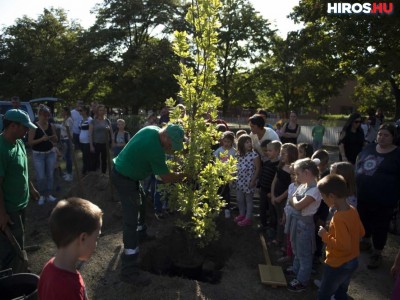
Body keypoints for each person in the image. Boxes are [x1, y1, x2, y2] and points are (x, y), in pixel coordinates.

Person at [111, 123, 186, 286]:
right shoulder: (155, 150)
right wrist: (185, 176)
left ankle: (141, 234)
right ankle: (128, 269)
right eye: (171, 144)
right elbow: (166, 178)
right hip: (124, 177)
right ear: (165, 136)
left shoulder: (152, 129)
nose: (172, 148)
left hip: (127, 172)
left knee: (142, 201)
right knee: (130, 220)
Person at [38, 197, 103, 300]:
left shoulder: (49, 267)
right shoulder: (67, 288)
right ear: (83, 238)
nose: (96, 243)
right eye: (96, 238)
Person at [356, 123, 400, 269]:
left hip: (384, 199)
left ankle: (377, 252)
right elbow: (359, 164)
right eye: (380, 134)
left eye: (386, 135)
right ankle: (366, 241)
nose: (382, 137)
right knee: (364, 221)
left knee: (380, 226)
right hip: (364, 195)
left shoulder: (397, 154)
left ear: (393, 137)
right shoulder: (369, 148)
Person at [0, 109, 39, 271]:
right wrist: (2, 213)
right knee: (11, 246)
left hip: (21, 203)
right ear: (13, 126)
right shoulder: (1, 149)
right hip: (9, 208)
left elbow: (24, 170)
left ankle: (20, 267)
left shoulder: (20, 143)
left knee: (19, 237)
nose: (27, 130)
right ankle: (15, 278)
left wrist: (31, 188)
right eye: (24, 127)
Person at [316, 174, 365, 300]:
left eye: (323, 196)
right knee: (342, 290)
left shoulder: (339, 218)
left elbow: (343, 246)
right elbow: (361, 232)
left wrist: (325, 235)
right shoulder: (352, 210)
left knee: (324, 293)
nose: (322, 199)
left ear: (331, 196)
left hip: (337, 263)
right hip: (352, 260)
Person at [287, 158, 322, 292]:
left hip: (304, 226)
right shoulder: (304, 185)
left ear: (307, 173)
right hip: (297, 222)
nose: (296, 177)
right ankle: (296, 270)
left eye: (297, 174)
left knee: (305, 253)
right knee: (296, 248)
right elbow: (293, 198)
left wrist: (293, 201)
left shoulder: (315, 190)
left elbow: (297, 204)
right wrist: (293, 200)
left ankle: (302, 280)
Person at [28, 104, 58, 205]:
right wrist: (42, 139)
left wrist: (53, 138)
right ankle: (41, 195)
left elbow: (56, 139)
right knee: (41, 176)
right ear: (39, 115)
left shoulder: (51, 125)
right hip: (38, 155)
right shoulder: (34, 126)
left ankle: (48, 194)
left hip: (50, 153)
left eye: (48, 115)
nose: (46, 117)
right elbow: (30, 142)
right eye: (44, 115)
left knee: (50, 174)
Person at [270, 143, 298, 246]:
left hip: (284, 199)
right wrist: (273, 195)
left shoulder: (293, 169)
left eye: (284, 153)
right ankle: (278, 238)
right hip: (276, 196)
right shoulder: (281, 164)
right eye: (281, 153)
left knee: (284, 220)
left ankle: (284, 242)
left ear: (291, 154)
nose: (281, 155)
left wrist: (280, 198)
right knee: (279, 218)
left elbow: (290, 188)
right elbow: (274, 180)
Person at [233, 134, 261, 227]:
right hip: (239, 180)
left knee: (248, 200)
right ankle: (242, 214)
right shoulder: (237, 154)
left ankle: (248, 218)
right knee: (239, 199)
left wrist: (253, 180)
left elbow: (257, 168)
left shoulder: (254, 155)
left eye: (250, 142)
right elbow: (234, 167)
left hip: (249, 180)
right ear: (241, 144)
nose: (249, 144)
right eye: (247, 142)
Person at [258, 140, 281, 231]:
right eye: (267, 150)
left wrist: (271, 192)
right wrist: (259, 186)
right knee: (262, 208)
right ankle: (263, 224)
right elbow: (263, 175)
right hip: (263, 190)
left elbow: (276, 181)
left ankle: (272, 227)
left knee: (272, 211)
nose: (267, 152)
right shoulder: (267, 162)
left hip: (270, 192)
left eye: (270, 151)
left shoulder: (278, 166)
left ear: (277, 151)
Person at [213, 131, 236, 217]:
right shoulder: (219, 150)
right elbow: (214, 161)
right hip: (219, 174)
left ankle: (227, 209)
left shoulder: (234, 152)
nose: (226, 143)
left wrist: (232, 176)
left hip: (228, 175)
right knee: (218, 192)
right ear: (222, 141)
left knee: (226, 192)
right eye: (225, 141)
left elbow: (235, 164)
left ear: (232, 142)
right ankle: (217, 208)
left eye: (228, 142)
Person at [89, 104, 114, 174]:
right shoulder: (93, 121)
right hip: (96, 143)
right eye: (100, 110)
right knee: (95, 160)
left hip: (105, 143)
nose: (101, 112)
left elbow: (111, 133)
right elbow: (90, 134)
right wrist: (91, 145)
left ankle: (103, 173)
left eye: (103, 110)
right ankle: (93, 174)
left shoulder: (107, 121)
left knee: (104, 160)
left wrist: (112, 142)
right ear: (97, 111)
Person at [59, 107, 74, 182]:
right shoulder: (65, 119)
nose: (61, 112)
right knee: (66, 157)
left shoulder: (69, 119)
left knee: (68, 157)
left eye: (62, 111)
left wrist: (59, 126)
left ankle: (70, 174)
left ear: (66, 112)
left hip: (67, 140)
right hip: (64, 139)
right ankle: (68, 172)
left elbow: (68, 129)